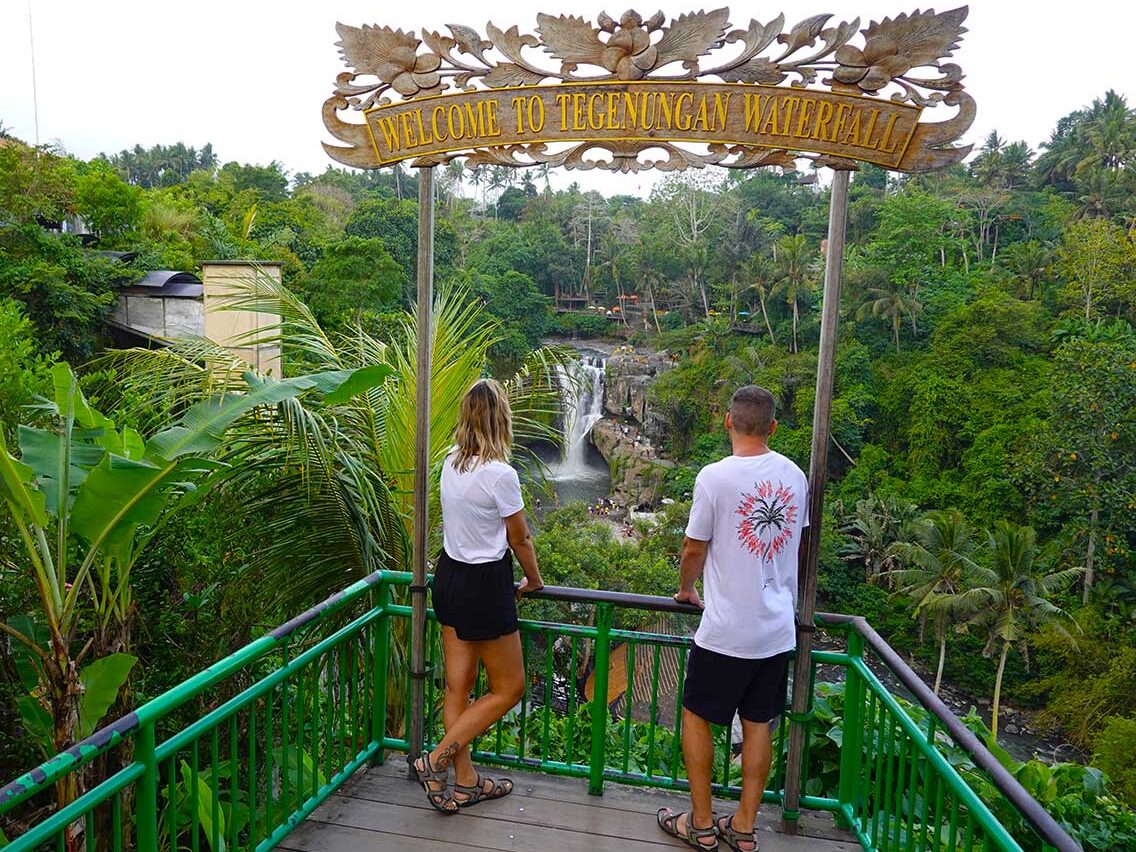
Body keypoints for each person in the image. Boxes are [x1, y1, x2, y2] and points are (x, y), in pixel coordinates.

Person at [657, 386, 808, 851]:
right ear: (773, 428)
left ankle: (701, 824)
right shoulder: (795, 476)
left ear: (728, 422)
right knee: (759, 723)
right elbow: (796, 544)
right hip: (777, 629)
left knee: (696, 717)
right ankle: (743, 828)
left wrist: (686, 589)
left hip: (726, 630)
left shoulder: (714, 478)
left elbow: (693, 547)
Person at [411, 378, 545, 814]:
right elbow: (520, 538)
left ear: (466, 418)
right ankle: (435, 762)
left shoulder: (450, 462)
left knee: (458, 687)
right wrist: (534, 581)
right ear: (500, 419)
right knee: (510, 688)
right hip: (485, 584)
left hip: (449, 577)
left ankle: (466, 783)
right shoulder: (501, 475)